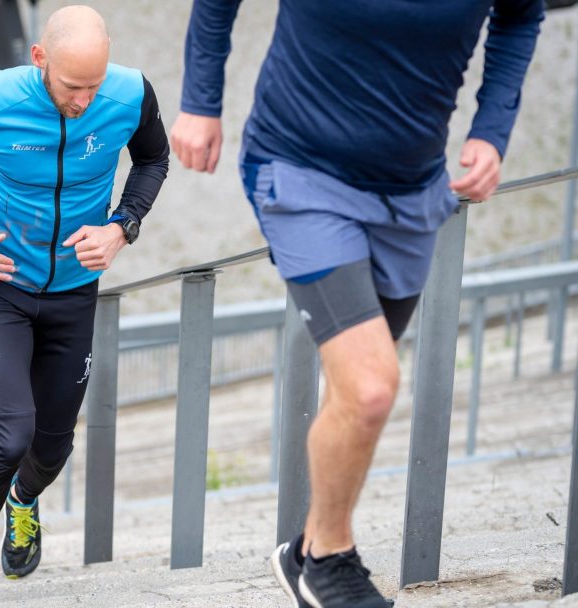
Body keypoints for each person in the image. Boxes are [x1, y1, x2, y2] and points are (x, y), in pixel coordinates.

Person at [171, 1, 543, 606]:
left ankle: (304, 553)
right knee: (371, 386)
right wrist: (200, 99)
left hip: (411, 191)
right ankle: (330, 562)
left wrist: (491, 129)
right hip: (298, 171)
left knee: (354, 391)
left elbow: (521, 16)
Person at [0, 7, 169, 605]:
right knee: (8, 433)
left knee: (52, 445)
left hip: (74, 291)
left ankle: (24, 502)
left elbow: (154, 158)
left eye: (94, 85)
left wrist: (123, 227)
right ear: (40, 60)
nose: (84, 100)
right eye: (74, 87)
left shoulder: (129, 93)